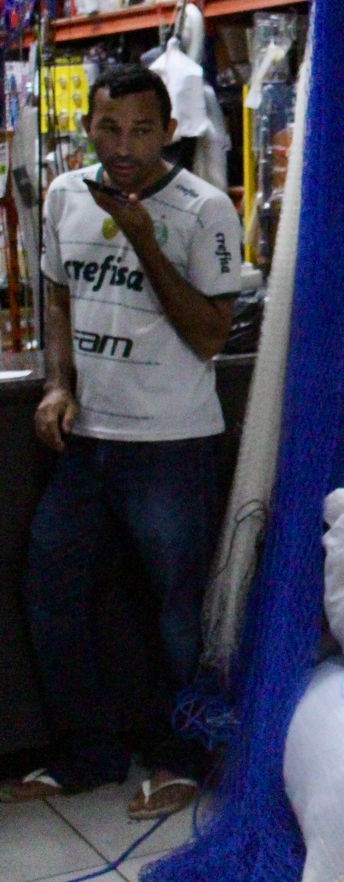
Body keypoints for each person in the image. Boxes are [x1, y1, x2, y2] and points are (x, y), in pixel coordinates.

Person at [0, 65, 241, 819]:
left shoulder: (205, 211)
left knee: (175, 609)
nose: (125, 146)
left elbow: (208, 335)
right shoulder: (69, 195)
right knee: (50, 590)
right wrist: (58, 384)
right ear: (90, 127)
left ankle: (181, 759)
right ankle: (89, 753)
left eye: (142, 130)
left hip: (170, 443)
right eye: (110, 128)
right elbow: (61, 295)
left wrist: (145, 241)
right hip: (87, 442)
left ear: (170, 130)